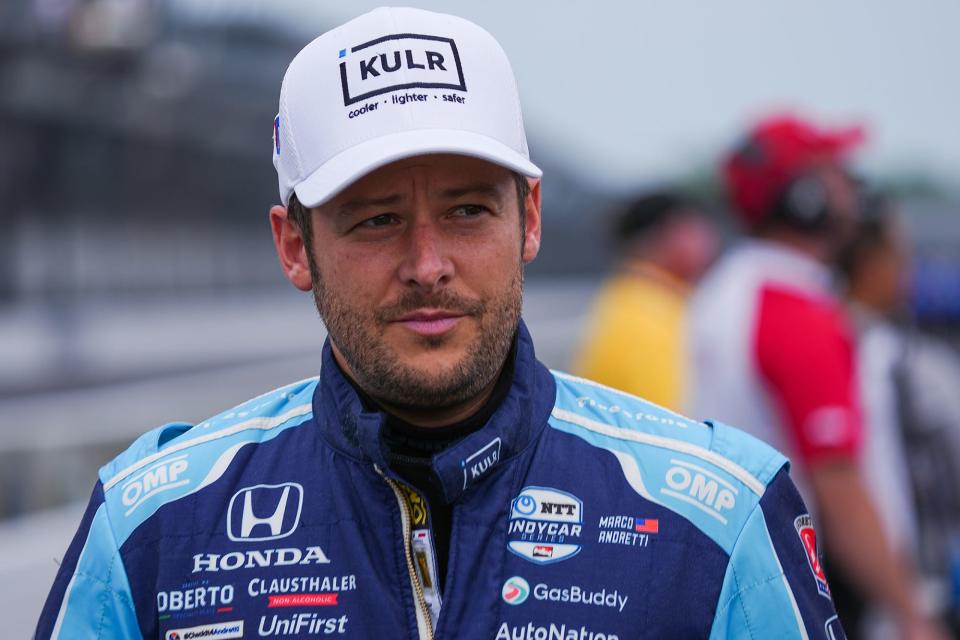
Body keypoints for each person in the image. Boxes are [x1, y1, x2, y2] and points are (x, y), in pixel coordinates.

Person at [38, 10, 845, 639]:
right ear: (294, 246)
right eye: (375, 220)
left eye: (466, 210)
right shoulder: (151, 527)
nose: (427, 263)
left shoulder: (720, 518)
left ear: (528, 219)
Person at [686, 114, 944, 639]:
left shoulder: (727, 290)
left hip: (745, 573)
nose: (851, 185)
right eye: (832, 172)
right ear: (804, 197)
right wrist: (909, 612)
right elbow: (838, 481)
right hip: (804, 585)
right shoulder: (792, 307)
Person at [839, 198, 960, 635]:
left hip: (845, 585)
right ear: (871, 263)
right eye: (901, 255)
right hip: (906, 589)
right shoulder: (897, 360)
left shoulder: (828, 339)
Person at [571, 191, 718, 410]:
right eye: (692, 229)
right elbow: (670, 422)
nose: (708, 240)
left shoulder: (635, 299)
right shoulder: (647, 313)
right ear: (658, 238)